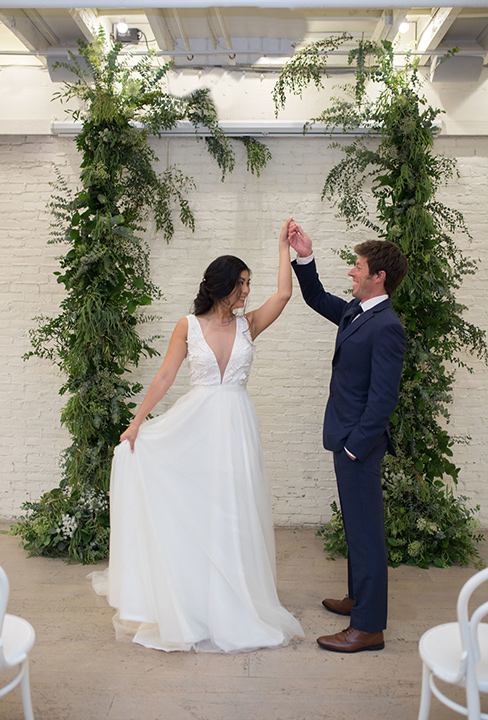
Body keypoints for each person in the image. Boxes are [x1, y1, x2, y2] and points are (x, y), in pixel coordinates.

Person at [90, 219, 304, 653]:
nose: (247, 291)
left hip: (238, 425)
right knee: (200, 508)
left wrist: (285, 246)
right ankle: (193, 599)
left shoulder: (250, 325)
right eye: (241, 284)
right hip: (198, 425)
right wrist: (137, 422)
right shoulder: (188, 325)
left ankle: (234, 599)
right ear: (222, 285)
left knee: (234, 508)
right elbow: (167, 374)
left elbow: (283, 294)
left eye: (248, 283)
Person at [288, 220, 408, 653]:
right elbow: (316, 296)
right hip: (345, 437)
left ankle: (368, 627)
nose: (352, 272)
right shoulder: (357, 312)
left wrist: (357, 445)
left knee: (366, 535)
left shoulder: (387, 326)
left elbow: (383, 398)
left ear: (379, 276)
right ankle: (358, 599)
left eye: (358, 266)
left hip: (359, 445)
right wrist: (305, 255)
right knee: (357, 529)